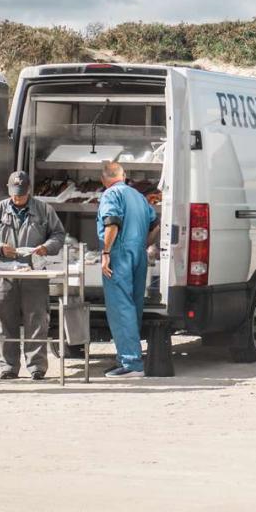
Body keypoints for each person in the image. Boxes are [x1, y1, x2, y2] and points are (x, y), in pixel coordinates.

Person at [0, 170, 65, 380]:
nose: (18, 198)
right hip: (5, 273)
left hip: (34, 273)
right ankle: (8, 367)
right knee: (5, 321)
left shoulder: (44, 210)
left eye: (22, 194)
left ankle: (37, 367)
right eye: (15, 194)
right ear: (9, 191)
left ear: (29, 191)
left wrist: (46, 247)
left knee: (37, 321)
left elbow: (58, 234)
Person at [97, 161, 158, 379]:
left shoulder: (110, 195)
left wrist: (106, 253)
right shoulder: (139, 197)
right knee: (133, 306)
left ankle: (131, 363)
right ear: (124, 176)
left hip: (119, 253)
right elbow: (155, 224)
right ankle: (129, 359)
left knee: (120, 307)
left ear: (104, 180)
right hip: (138, 254)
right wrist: (142, 244)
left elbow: (112, 223)